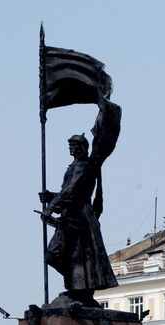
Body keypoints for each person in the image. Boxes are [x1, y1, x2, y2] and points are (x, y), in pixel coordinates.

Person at [39, 97, 121, 306]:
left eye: (75, 145)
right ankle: (76, 289)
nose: (71, 148)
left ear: (82, 147)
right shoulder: (74, 167)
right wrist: (50, 197)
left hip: (80, 219)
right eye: (70, 145)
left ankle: (80, 293)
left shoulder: (83, 167)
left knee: (78, 257)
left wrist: (51, 208)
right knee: (57, 255)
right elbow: (67, 192)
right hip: (69, 217)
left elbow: (71, 192)